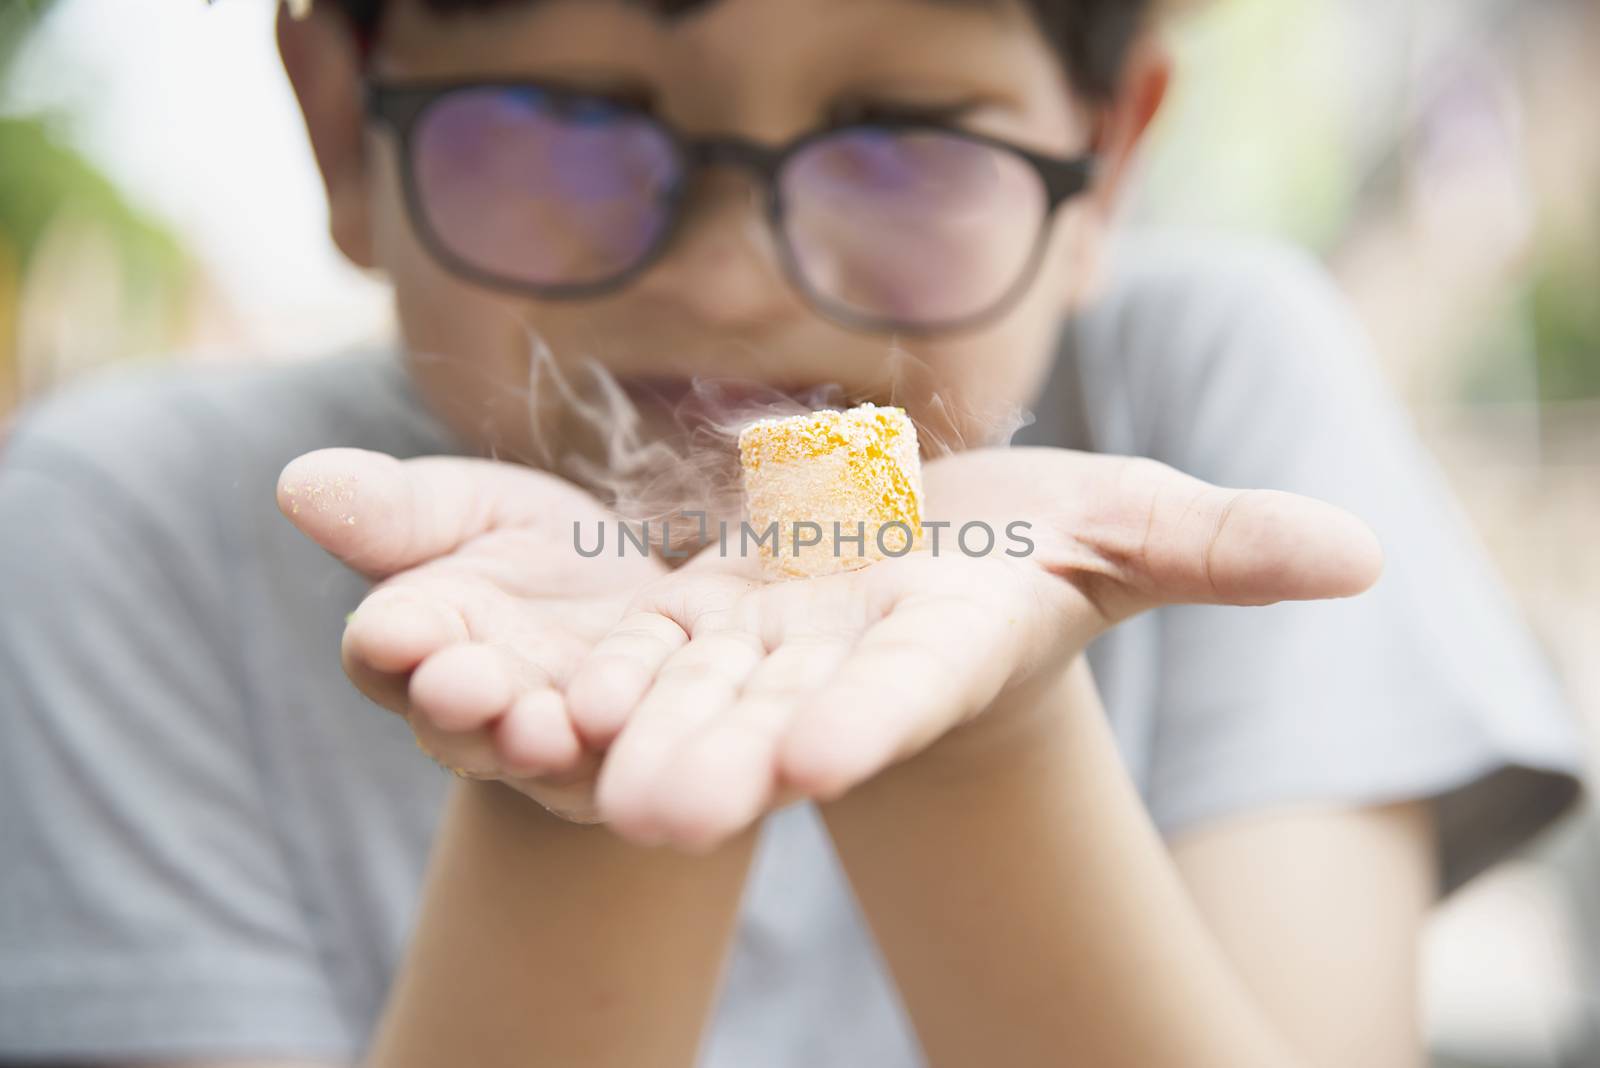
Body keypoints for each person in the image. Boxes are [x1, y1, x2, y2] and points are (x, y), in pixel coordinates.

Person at [0, 0, 1586, 1065]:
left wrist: (988, 737)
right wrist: (587, 791)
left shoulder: (1210, 394)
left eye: (898, 127)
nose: (735, 270)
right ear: (345, 122)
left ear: (1105, 162)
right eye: (566, 113)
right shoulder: (110, 536)